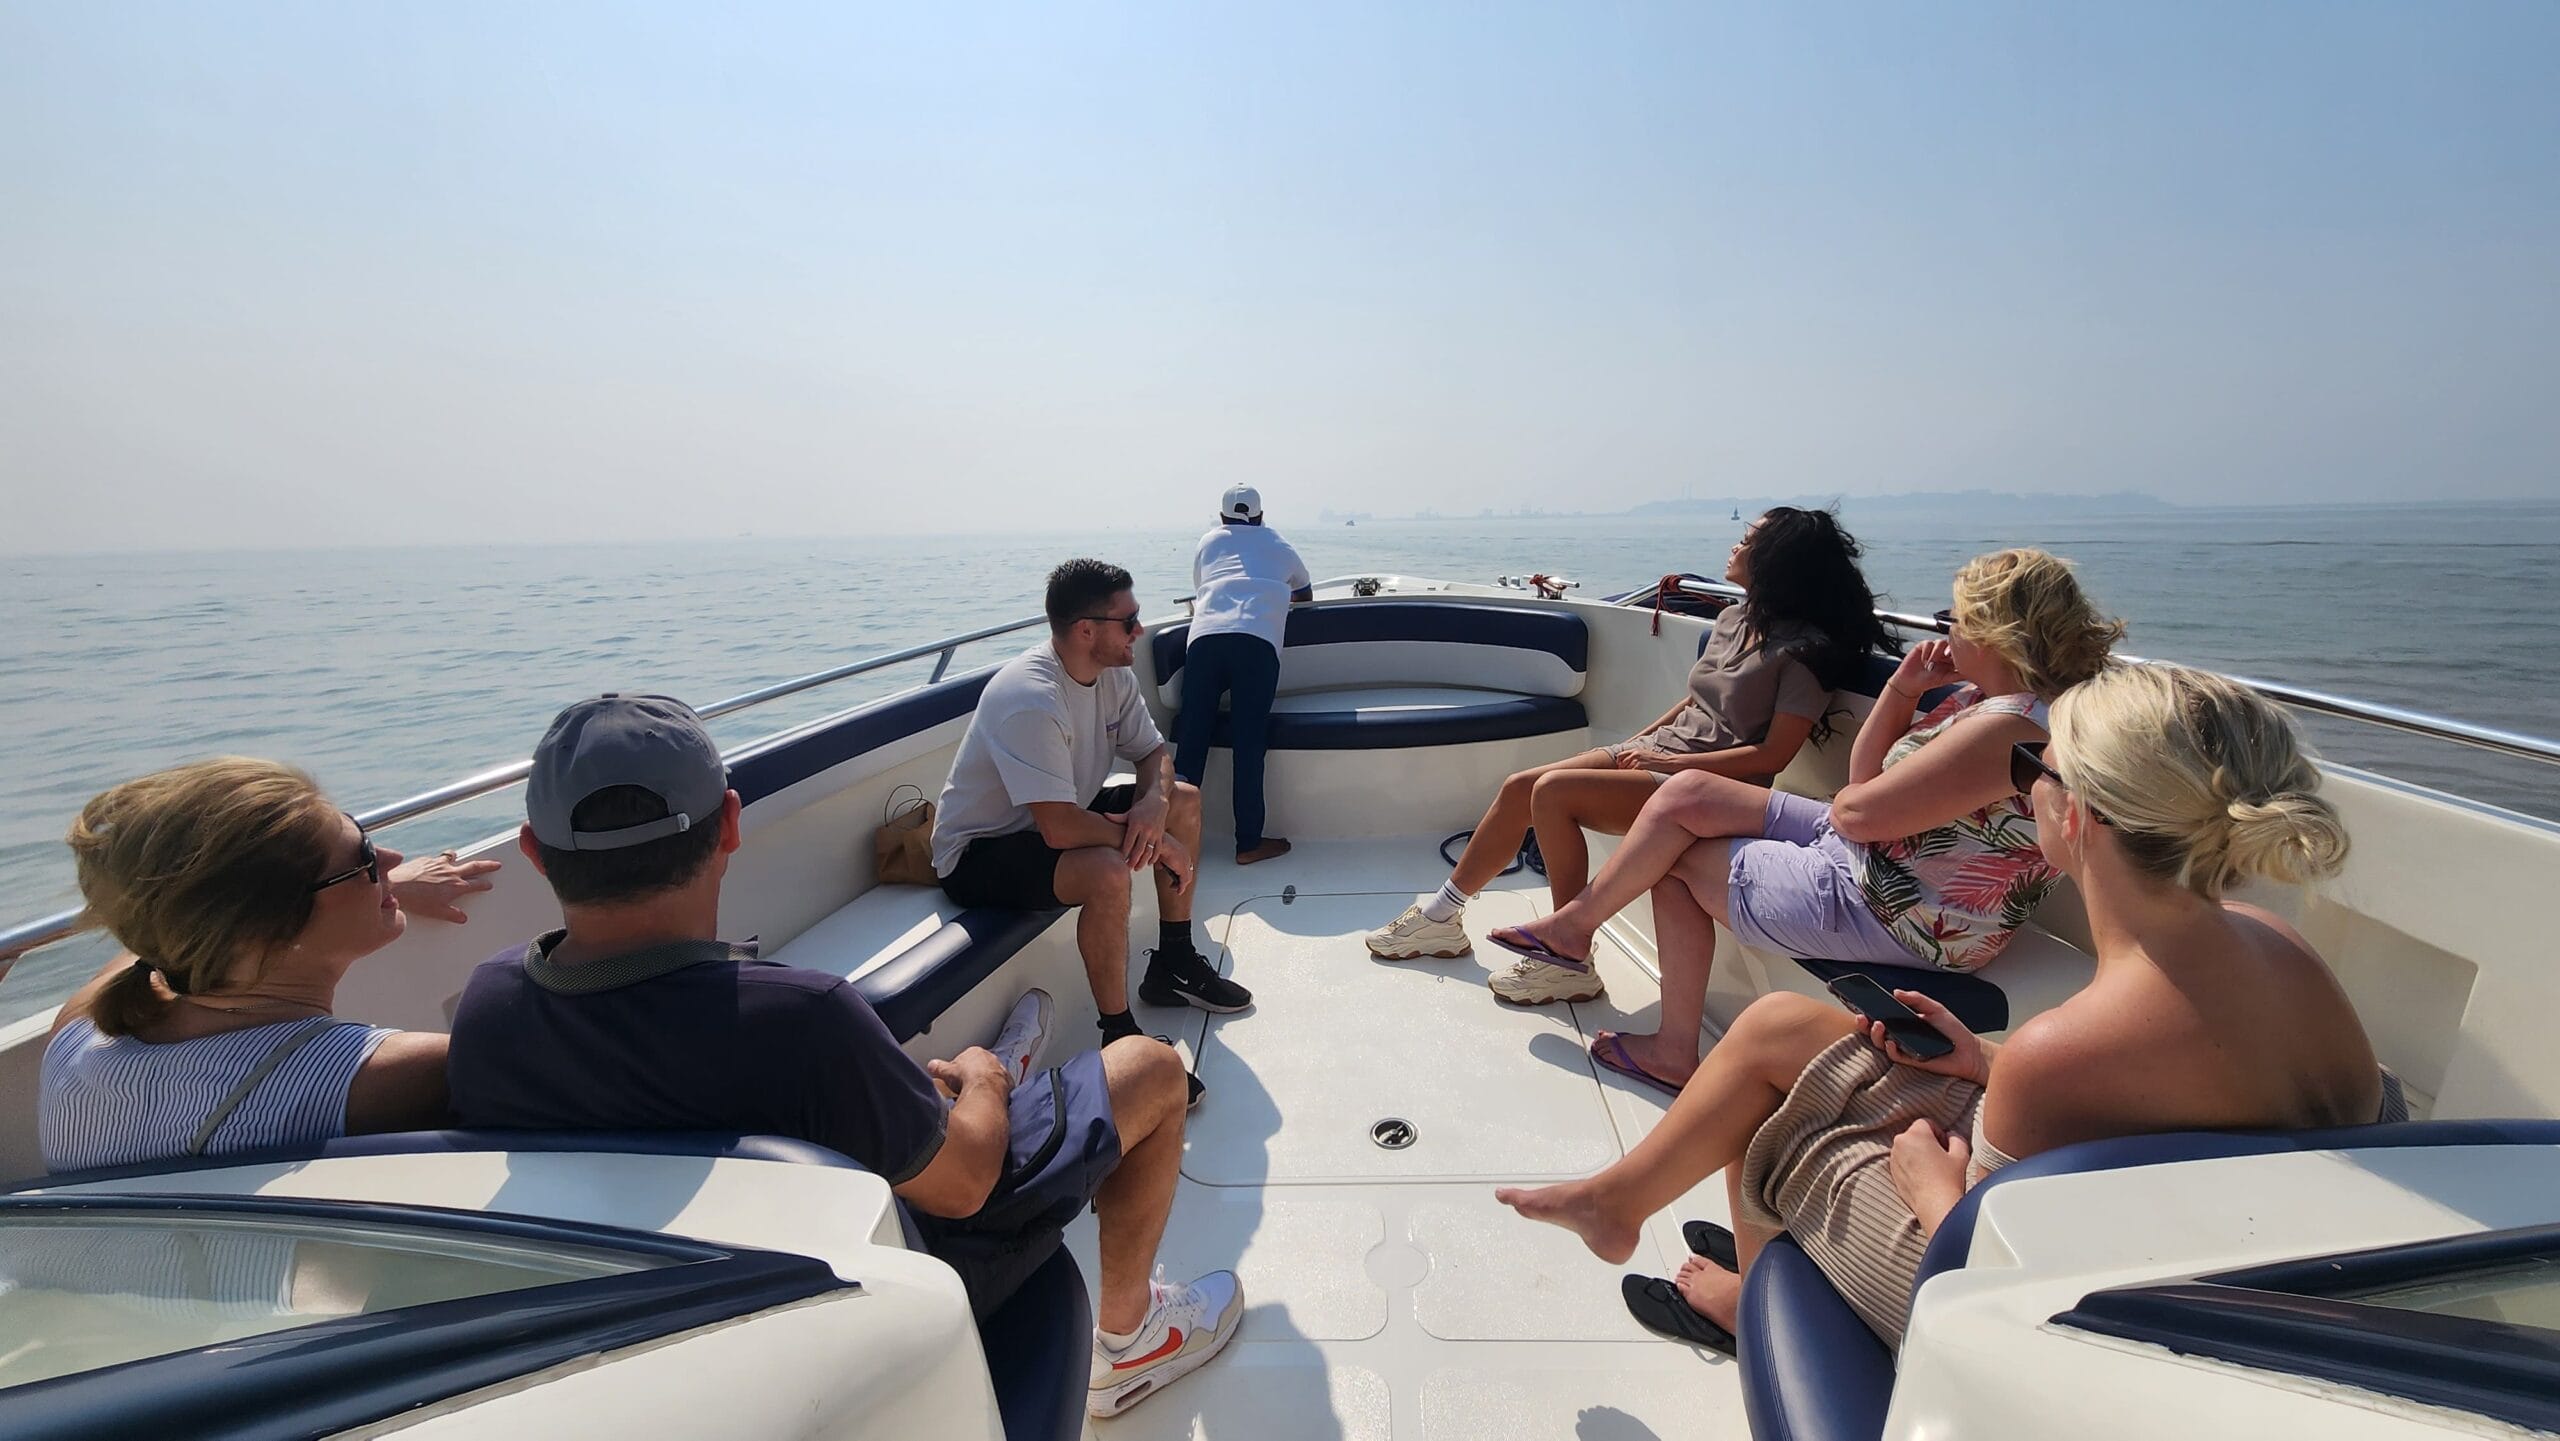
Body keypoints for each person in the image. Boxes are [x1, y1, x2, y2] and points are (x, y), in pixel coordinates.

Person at [1498, 662, 2397, 1353]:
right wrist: (1984, 1064)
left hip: (2054, 1304)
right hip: (2207, 1247)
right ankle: (1618, 1200)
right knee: (1774, 1027)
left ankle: (1759, 1311)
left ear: (2073, 816)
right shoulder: (2278, 948)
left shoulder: (2069, 1047)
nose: (2023, 781)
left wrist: (1934, 1188)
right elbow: (2200, 1102)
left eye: (2029, 767)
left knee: (1780, 1107)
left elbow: (1989, 1268)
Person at [444, 695, 1243, 1419]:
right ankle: (1131, 1340)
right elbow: (965, 1183)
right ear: (729, 824)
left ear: (534, 852)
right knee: (1151, 1067)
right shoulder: (803, 1019)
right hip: (863, 1291)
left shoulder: (488, 1011)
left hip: (656, 1335)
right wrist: (986, 1082)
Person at [1489, 549, 2122, 1093]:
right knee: (1686, 793)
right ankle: (1573, 931)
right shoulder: (1984, 701)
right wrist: (1903, 690)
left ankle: (1673, 1051)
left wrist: (1854, 809)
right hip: (1874, 857)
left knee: (1675, 859)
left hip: (1903, 911)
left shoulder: (2007, 727)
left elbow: (1859, 810)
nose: (1945, 631)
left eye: (1952, 619)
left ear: (1990, 632)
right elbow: (1859, 787)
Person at [1367, 508, 1897, 1010]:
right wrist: (1625, 747)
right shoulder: (1735, 617)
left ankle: (1567, 960)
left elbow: (1773, 754)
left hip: (1706, 788)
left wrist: (1662, 766)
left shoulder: (1803, 653)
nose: (1737, 544)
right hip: (1660, 756)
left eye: (1751, 539)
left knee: (1551, 795)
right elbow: (1694, 701)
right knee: (1519, 786)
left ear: (1777, 561)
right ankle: (1441, 916)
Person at [38, 757, 499, 1173]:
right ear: (269, 928)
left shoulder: (76, 1037)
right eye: (364, 857)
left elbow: (162, 924)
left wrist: (377, 886)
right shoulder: (381, 1078)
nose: (391, 859)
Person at [934, 558, 1250, 1096]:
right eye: (1128, 621)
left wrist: (1155, 803)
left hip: (1057, 816)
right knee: (1108, 871)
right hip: (982, 850)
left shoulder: (1112, 675)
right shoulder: (1031, 698)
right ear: (1087, 631)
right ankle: (1119, 1035)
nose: (1140, 631)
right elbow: (1057, 830)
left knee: (1186, 801)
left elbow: (1154, 753)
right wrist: (1162, 845)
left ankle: (1172, 960)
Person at [1174, 484, 1314, 866]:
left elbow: (1202, 587)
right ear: (1260, 516)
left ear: (1221, 518)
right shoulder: (1280, 545)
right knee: (1248, 745)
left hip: (1204, 641)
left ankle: (1175, 844)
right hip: (1255, 643)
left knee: (1191, 743)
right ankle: (1248, 843)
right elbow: (1305, 593)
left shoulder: (1208, 543)